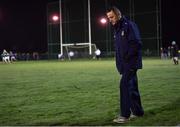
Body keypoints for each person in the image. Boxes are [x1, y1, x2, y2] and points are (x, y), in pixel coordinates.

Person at [106, 6, 144, 123]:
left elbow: (137, 43)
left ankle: (124, 115)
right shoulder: (117, 29)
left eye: (111, 17)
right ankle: (138, 112)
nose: (110, 19)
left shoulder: (129, 25)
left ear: (118, 14)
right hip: (124, 64)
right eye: (108, 18)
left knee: (124, 85)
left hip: (131, 63)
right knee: (132, 87)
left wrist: (128, 58)